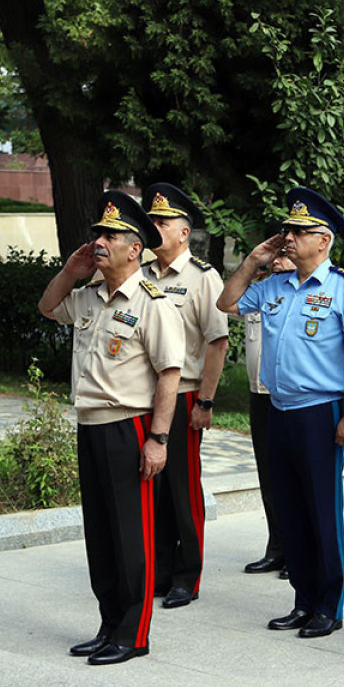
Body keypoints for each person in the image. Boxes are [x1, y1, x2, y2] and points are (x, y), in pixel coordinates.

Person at [217, 187, 344, 639]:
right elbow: (226, 303)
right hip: (279, 409)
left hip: (320, 411)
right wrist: (251, 262)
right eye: (287, 229)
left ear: (323, 240)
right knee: (290, 511)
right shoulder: (272, 285)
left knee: (322, 511)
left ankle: (329, 606)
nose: (289, 237)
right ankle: (303, 600)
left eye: (300, 231)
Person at [38, 190, 185, 665]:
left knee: (130, 536)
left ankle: (133, 634)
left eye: (111, 235)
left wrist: (159, 439)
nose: (99, 241)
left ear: (134, 248)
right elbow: (46, 307)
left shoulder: (153, 303)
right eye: (97, 233)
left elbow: (169, 374)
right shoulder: (88, 297)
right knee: (100, 535)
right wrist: (69, 271)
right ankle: (107, 626)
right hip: (91, 426)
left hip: (130, 428)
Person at [141, 183, 229, 610]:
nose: (155, 228)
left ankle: (186, 575)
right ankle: (157, 571)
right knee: (151, 490)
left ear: (184, 232)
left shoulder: (202, 277)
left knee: (182, 489)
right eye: (151, 221)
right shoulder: (140, 274)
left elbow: (217, 342)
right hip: (145, 397)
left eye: (163, 222)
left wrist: (205, 402)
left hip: (185, 395)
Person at [242, 222, 297, 579]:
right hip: (258, 393)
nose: (276, 262)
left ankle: (297, 552)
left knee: (294, 478)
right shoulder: (259, 292)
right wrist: (252, 263)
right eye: (273, 256)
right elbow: (226, 301)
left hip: (290, 396)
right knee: (268, 475)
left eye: (284, 256)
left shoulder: (303, 294)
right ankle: (276, 546)